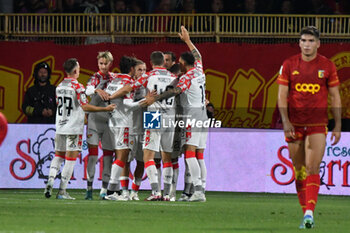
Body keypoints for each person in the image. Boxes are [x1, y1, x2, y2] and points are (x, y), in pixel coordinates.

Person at [277, 26, 341, 229]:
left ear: (318, 43)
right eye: (303, 40)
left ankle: (309, 213)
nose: (307, 44)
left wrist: (337, 124)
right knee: (299, 171)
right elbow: (281, 96)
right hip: (294, 125)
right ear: (299, 43)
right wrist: (285, 121)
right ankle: (305, 210)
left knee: (313, 167)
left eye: (311, 41)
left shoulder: (327, 66)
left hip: (317, 125)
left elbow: (335, 96)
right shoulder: (288, 64)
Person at [142, 26, 208, 202]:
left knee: (190, 153)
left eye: (180, 62)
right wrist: (187, 40)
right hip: (203, 115)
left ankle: (199, 192)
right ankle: (201, 188)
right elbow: (198, 56)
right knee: (199, 154)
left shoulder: (187, 77)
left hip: (192, 116)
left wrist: (155, 98)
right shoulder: (199, 70)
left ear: (184, 64)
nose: (179, 64)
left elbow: (174, 91)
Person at [108, 52, 177, 201]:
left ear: (151, 63)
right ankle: (167, 194)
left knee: (148, 156)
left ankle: (155, 192)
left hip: (153, 115)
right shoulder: (173, 77)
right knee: (166, 157)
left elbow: (128, 89)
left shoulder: (149, 76)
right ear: (164, 63)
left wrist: (111, 97)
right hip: (170, 117)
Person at [44, 58, 115, 200]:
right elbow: (85, 106)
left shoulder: (59, 86)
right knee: (70, 159)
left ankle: (50, 180)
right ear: (75, 71)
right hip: (73, 128)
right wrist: (104, 108)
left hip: (60, 127)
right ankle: (62, 191)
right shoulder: (78, 87)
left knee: (58, 156)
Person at [85, 51, 116, 200]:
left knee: (108, 157)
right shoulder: (95, 78)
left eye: (106, 63)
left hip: (109, 121)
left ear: (111, 63)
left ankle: (104, 189)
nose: (103, 66)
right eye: (101, 63)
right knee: (93, 156)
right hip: (94, 120)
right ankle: (89, 189)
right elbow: (87, 90)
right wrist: (97, 89)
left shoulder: (114, 78)